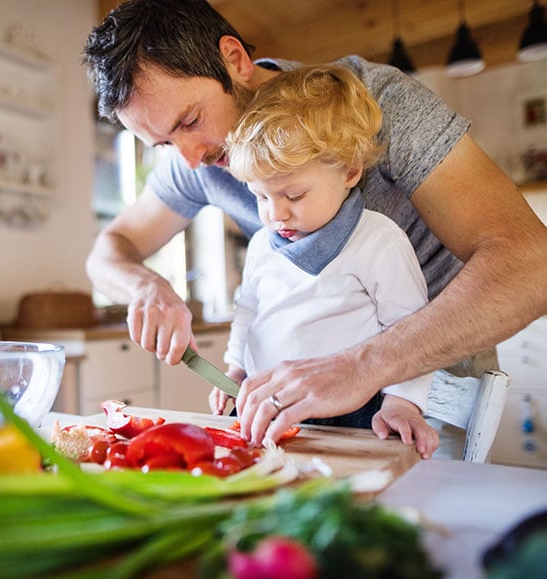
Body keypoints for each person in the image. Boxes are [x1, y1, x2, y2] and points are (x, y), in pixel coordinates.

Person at [82, 0, 547, 448]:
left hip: (424, 385)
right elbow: (111, 249)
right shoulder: (195, 157)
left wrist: (363, 367)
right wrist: (145, 288)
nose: (191, 159)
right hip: (304, 398)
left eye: (191, 120)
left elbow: (533, 265)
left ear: (234, 59)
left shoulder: (376, 103)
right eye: (162, 144)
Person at [208, 64, 439, 457]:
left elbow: (412, 330)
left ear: (350, 171)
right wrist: (236, 367)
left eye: (293, 196)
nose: (275, 214)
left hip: (358, 412)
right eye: (261, 198)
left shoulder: (378, 240)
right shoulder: (264, 245)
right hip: (273, 404)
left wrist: (402, 403)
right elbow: (248, 311)